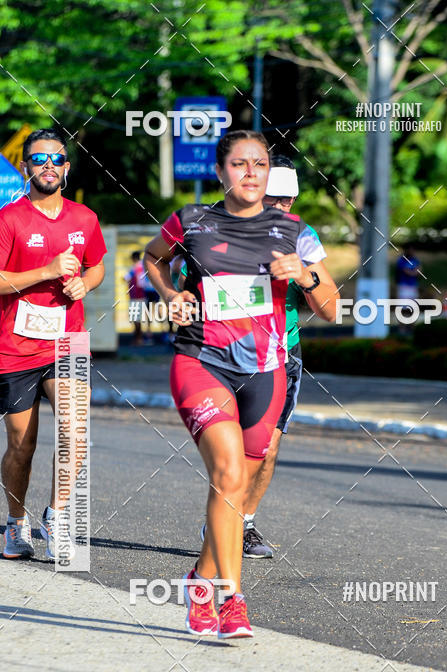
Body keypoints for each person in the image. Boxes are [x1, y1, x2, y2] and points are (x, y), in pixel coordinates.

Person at [144, 129, 339, 639]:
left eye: (258, 163)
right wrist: (169, 293)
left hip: (266, 371)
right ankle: (233, 599)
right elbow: (153, 257)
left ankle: (200, 583)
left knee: (239, 484)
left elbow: (334, 309)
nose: (249, 172)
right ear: (221, 171)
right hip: (201, 360)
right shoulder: (192, 221)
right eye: (238, 164)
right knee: (227, 473)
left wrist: (305, 276)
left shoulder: (293, 229)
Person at [0, 128, 107, 560]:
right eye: (39, 159)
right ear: (26, 168)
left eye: (56, 158)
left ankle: (56, 516)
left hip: (68, 342)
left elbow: (97, 268)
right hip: (18, 347)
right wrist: (46, 271)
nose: (48, 166)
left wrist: (83, 285)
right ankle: (16, 522)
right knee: (23, 444)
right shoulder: (8, 220)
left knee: (74, 431)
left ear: (67, 168)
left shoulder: (84, 219)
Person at [241, 154, 337, 558]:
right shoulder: (217, 225)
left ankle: (242, 523)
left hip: (282, 352)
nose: (281, 209)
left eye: (288, 201)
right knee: (231, 447)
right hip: (223, 352)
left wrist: (305, 275)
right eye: (273, 199)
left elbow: (331, 310)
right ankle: (222, 516)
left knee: (267, 447)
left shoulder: (302, 235)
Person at [124, 250, 148, 345]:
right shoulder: (143, 267)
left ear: (133, 258)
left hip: (136, 296)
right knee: (138, 318)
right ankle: (139, 338)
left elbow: (126, 278)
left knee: (136, 319)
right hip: (142, 295)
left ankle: (138, 339)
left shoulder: (135, 268)